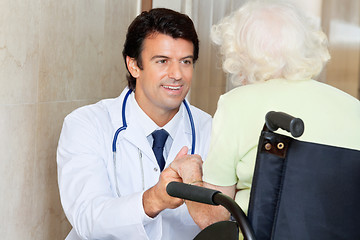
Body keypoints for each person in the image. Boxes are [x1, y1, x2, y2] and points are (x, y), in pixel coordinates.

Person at [175, 0, 360, 231]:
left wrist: (191, 174)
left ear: (241, 54)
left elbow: (213, 217)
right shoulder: (354, 108)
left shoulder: (236, 104)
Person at [57, 8, 212, 240]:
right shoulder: (86, 124)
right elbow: (86, 217)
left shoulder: (210, 128)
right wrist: (154, 199)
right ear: (134, 66)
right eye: (162, 61)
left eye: (186, 61)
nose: (177, 74)